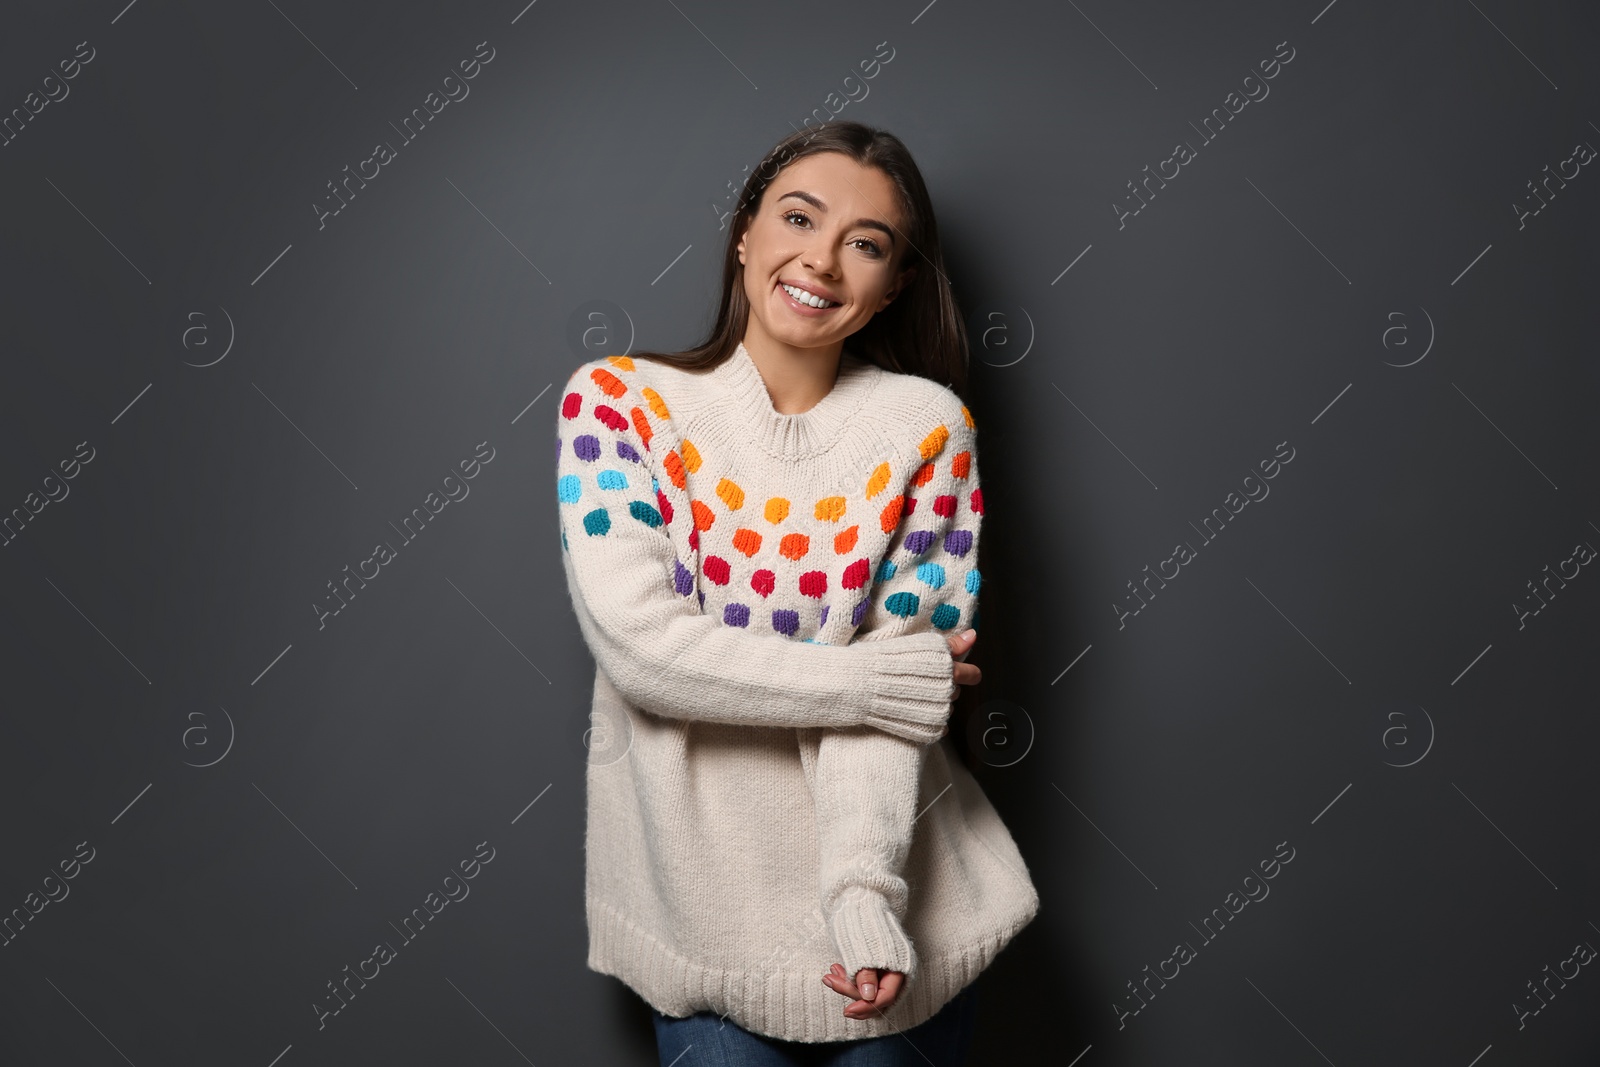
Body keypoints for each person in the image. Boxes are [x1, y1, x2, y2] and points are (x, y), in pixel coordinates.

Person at [554, 120, 1039, 1065]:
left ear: (893, 283)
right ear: (747, 231)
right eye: (798, 217)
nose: (822, 258)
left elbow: (895, 721)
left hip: (900, 915)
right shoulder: (619, 405)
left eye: (865, 242)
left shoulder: (924, 428)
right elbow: (647, 652)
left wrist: (864, 900)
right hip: (702, 917)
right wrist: (878, 677)